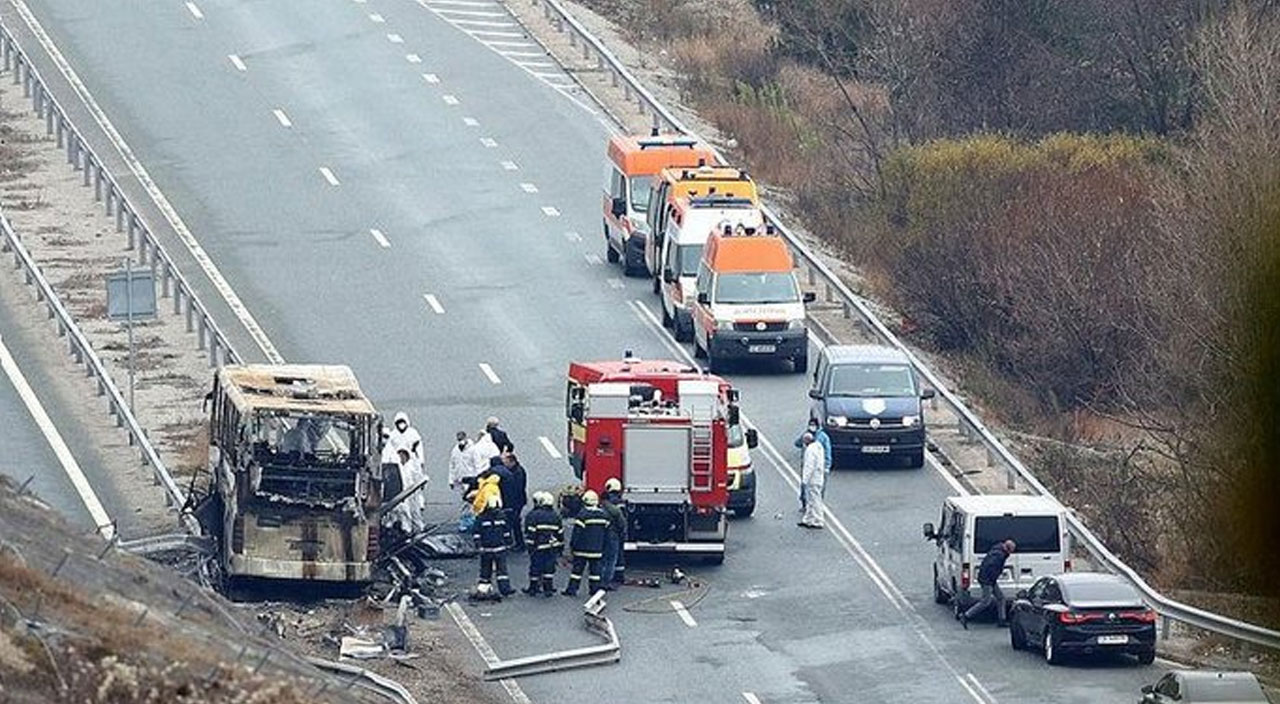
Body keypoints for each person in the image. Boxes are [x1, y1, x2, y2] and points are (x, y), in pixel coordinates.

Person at [562, 490, 609, 597]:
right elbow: (607, 533)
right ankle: (594, 590)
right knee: (595, 573)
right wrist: (603, 547)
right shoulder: (604, 515)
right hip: (597, 550)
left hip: (581, 550)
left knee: (576, 572)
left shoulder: (582, 515)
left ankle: (572, 590)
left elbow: (577, 534)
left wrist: (572, 547)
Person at [961, 539, 1016, 629]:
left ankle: (1002, 620)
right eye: (1011, 551)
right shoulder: (999, 555)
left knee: (1001, 598)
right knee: (985, 601)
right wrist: (991, 580)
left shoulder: (997, 550)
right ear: (1007, 548)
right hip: (988, 580)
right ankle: (966, 616)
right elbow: (991, 568)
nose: (1010, 554)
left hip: (989, 579)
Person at [522, 492, 564, 596]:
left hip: (538, 546)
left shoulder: (535, 515)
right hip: (552, 547)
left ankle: (533, 588)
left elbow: (531, 532)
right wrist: (560, 548)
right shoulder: (556, 516)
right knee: (549, 568)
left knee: (535, 567)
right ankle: (548, 588)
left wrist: (530, 546)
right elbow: (560, 533)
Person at [473, 494, 515, 598]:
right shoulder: (502, 517)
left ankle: (483, 590)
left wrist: (478, 546)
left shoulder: (481, 518)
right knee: (501, 571)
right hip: (499, 549)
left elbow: (476, 533)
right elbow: (506, 532)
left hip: (486, 549)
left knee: (486, 571)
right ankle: (504, 589)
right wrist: (509, 543)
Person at [794, 418, 832, 511]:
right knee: (804, 485)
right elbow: (797, 443)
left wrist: (827, 466)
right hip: (806, 464)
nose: (812, 427)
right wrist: (804, 438)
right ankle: (805, 504)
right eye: (810, 425)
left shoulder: (823, 437)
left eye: (813, 425)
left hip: (819, 467)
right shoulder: (807, 434)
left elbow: (827, 451)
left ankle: (817, 506)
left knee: (817, 488)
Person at [599, 478, 627, 589]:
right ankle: (610, 580)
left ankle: (601, 578)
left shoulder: (603, 503)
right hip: (614, 535)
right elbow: (622, 523)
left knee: (604, 558)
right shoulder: (619, 504)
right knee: (613, 558)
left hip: (602, 534)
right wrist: (623, 535)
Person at [798, 432, 826, 529]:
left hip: (813, 479)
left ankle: (818, 520)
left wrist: (804, 480)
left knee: (814, 500)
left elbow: (809, 466)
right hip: (818, 477)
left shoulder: (810, 450)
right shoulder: (818, 447)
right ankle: (808, 519)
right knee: (811, 499)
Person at [502, 453, 529, 551]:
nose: (504, 465)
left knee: (515, 522)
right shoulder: (515, 470)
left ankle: (519, 544)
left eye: (505, 462)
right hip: (516, 501)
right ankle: (516, 542)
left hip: (516, 502)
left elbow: (516, 488)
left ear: (512, 461)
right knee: (513, 522)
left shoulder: (518, 472)